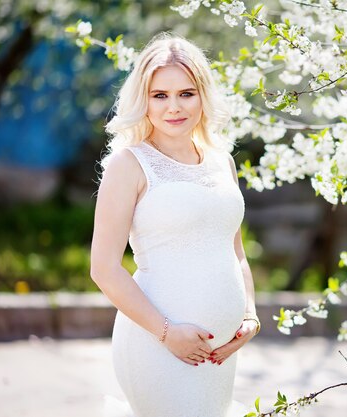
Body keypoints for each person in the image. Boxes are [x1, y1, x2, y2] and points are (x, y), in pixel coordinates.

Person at [89, 32, 260, 417]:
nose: (174, 108)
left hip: (220, 354)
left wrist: (249, 315)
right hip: (157, 347)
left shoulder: (222, 161)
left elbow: (236, 253)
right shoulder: (129, 165)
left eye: (186, 93)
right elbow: (103, 269)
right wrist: (167, 333)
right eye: (159, 95)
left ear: (203, 94)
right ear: (142, 100)